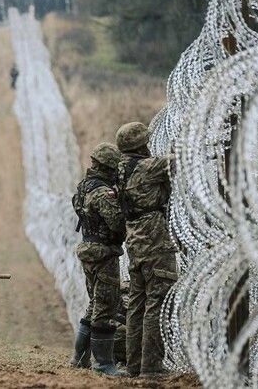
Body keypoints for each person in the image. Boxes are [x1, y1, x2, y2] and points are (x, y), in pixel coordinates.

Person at [115, 122, 177, 378]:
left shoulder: (121, 170)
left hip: (135, 241)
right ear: (141, 145)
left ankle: (133, 365)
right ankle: (151, 366)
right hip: (154, 240)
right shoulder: (148, 167)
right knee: (157, 303)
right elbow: (179, 160)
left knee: (137, 304)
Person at [70, 142, 125, 375]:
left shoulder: (84, 187)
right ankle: (103, 363)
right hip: (103, 252)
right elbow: (117, 223)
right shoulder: (102, 192)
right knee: (106, 306)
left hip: (89, 249)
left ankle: (79, 358)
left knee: (94, 304)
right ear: (109, 167)